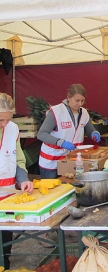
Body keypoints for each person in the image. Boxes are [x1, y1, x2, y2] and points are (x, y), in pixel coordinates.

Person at [0, 93, 34, 269]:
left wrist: (23, 180)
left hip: (8, 197)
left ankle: (5, 264)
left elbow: (19, 159)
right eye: (0, 120)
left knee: (5, 241)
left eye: (8, 119)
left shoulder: (13, 129)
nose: (4, 124)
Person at [38, 84, 100, 179]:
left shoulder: (84, 113)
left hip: (71, 160)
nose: (80, 104)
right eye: (77, 100)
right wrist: (60, 142)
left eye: (82, 101)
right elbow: (41, 134)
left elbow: (90, 129)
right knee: (51, 190)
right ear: (68, 97)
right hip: (51, 161)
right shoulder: (56, 112)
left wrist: (94, 133)